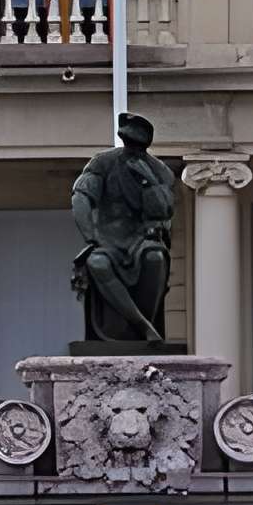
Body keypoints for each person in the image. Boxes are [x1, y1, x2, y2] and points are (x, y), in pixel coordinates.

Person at [70, 112, 177, 345]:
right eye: (129, 143)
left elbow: (163, 211)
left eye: (138, 145)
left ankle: (139, 332)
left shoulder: (159, 171)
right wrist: (91, 236)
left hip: (142, 240)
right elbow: (81, 197)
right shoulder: (103, 162)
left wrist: (148, 181)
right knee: (97, 262)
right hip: (109, 240)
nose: (133, 149)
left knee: (155, 258)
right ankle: (143, 326)